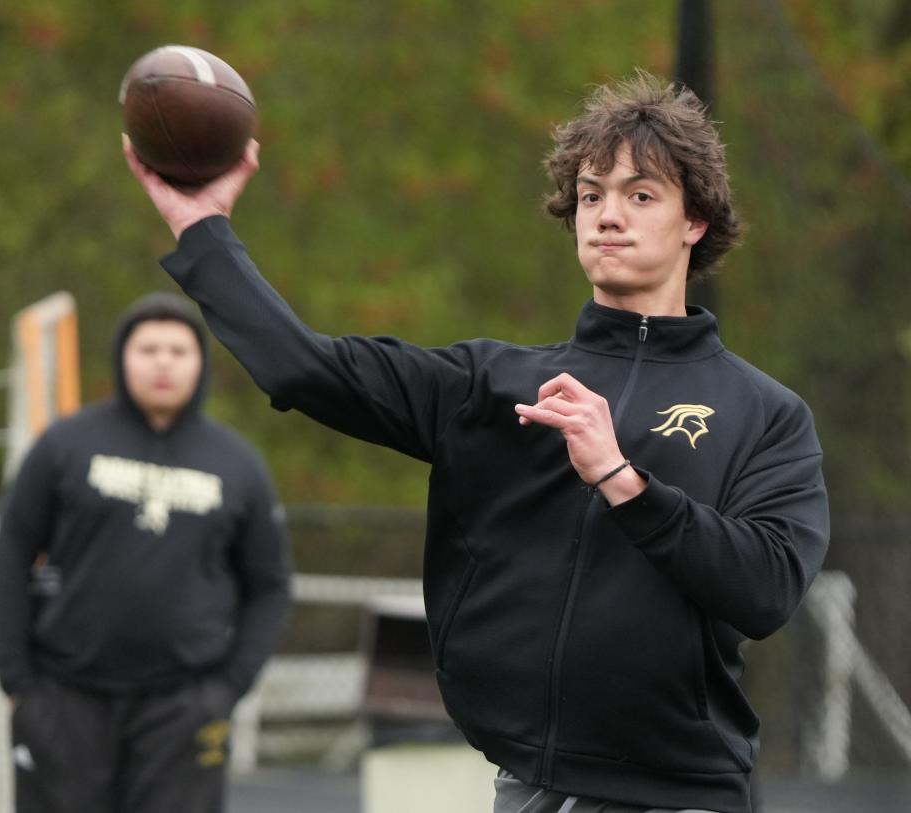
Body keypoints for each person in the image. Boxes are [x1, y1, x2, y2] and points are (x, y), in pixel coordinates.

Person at [123, 71, 830, 813]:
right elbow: (306, 369)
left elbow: (767, 588)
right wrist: (202, 228)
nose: (607, 216)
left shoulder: (764, 412)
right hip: (524, 787)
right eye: (592, 195)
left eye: (640, 195)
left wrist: (623, 479)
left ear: (696, 221)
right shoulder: (493, 382)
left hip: (681, 795)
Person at [0, 293, 292, 813]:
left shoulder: (237, 463)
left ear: (201, 363)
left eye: (178, 350)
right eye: (148, 348)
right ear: (122, 357)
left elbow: (270, 586)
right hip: (66, 700)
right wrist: (19, 683)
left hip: (183, 708)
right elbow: (11, 559)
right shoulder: (66, 445)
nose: (163, 363)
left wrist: (229, 688)